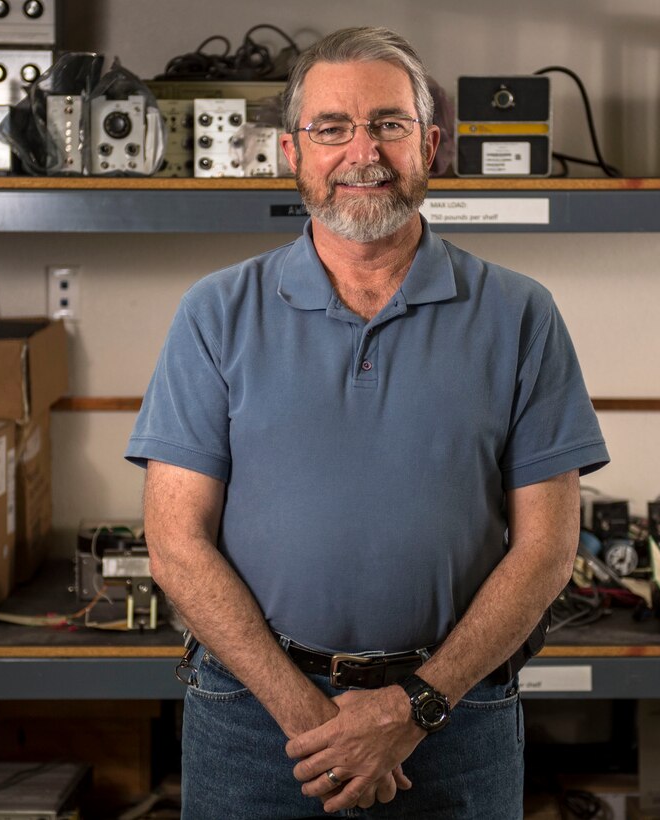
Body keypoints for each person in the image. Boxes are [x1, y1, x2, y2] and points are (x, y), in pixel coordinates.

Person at [126, 26, 608, 819]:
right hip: (255, 720)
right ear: (291, 151)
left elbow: (548, 550)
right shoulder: (216, 312)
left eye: (389, 124)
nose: (363, 152)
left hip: (454, 719)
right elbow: (176, 543)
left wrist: (410, 708)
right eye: (331, 128)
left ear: (432, 146)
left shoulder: (520, 315)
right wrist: (312, 719)